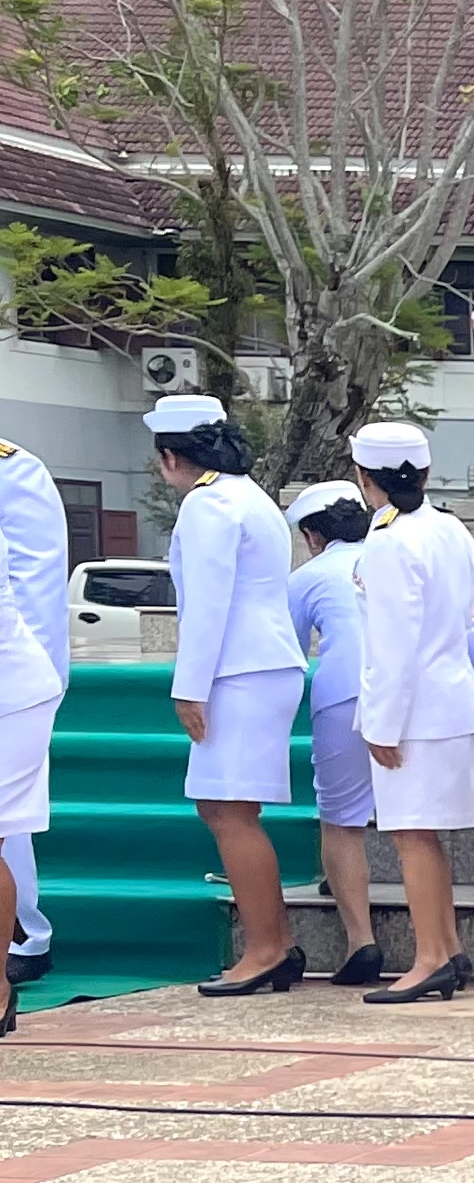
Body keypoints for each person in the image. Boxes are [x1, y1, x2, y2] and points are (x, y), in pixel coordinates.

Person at [151, 396, 304, 997]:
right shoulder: (246, 495)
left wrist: (189, 686)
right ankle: (271, 945)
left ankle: (267, 947)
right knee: (226, 808)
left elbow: (207, 603)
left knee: (227, 809)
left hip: (239, 669)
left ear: (169, 457)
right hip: (256, 664)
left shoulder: (209, 503)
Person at [348, 421, 474, 1005]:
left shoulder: (389, 539)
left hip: (413, 710)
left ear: (366, 477)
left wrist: (381, 724)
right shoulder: (449, 529)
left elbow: (393, 645)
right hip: (450, 700)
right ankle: (447, 946)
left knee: (413, 835)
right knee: (422, 834)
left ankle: (432, 955)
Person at [282, 484, 385, 988]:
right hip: (408, 693)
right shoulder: (394, 556)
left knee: (341, 821)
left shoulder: (309, 576)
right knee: (419, 820)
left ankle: (360, 940)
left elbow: (292, 650)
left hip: (342, 694)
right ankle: (444, 945)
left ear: (312, 534)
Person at [0, 430, 65, 1032]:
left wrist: (44, 674)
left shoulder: (13, 469)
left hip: (11, 684)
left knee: (4, 829)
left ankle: (26, 939)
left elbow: (35, 582)